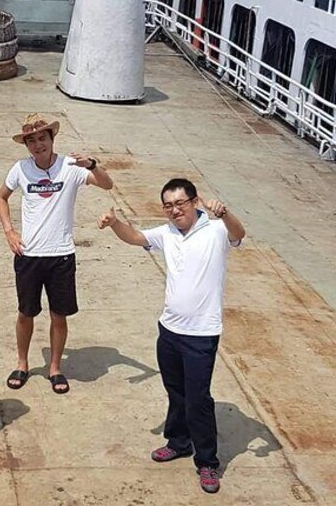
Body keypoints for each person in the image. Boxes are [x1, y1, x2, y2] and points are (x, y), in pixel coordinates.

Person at [97, 178, 245, 494]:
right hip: (169, 329)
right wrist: (114, 224)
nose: (174, 210)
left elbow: (239, 234)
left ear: (194, 201)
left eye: (180, 203)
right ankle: (178, 442)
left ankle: (207, 463)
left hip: (201, 334)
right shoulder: (167, 234)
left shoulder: (216, 229)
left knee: (198, 399)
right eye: (168, 205)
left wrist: (225, 212)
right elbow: (135, 237)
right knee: (176, 392)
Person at [0, 113, 113, 394]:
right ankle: (22, 363)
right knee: (26, 313)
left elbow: (107, 185)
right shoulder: (20, 169)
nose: (38, 145)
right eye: (32, 141)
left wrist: (93, 165)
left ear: (52, 138)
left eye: (42, 138)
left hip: (61, 255)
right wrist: (10, 231)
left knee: (58, 315)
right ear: (26, 145)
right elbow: (1, 197)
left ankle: (55, 368)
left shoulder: (70, 167)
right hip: (29, 255)